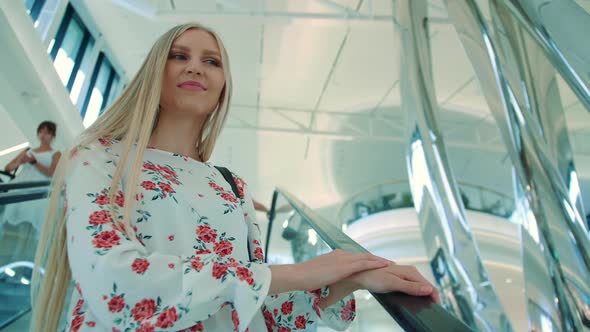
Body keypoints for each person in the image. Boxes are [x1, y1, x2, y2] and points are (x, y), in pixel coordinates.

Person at [31, 23, 439, 332]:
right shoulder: (97, 158)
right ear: (154, 72)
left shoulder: (230, 185)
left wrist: (351, 278)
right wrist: (304, 271)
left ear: (223, 88)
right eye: (179, 56)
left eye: (212, 61)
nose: (196, 67)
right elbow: (116, 286)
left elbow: (255, 303)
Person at [0, 121, 61, 266]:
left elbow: (53, 174)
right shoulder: (28, 150)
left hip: (38, 193)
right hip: (20, 187)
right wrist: (20, 161)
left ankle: (19, 263)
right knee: (11, 224)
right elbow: (8, 167)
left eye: (47, 132)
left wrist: (34, 162)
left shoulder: (55, 153)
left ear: (52, 135)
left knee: (28, 228)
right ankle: (5, 262)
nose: (43, 135)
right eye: (41, 131)